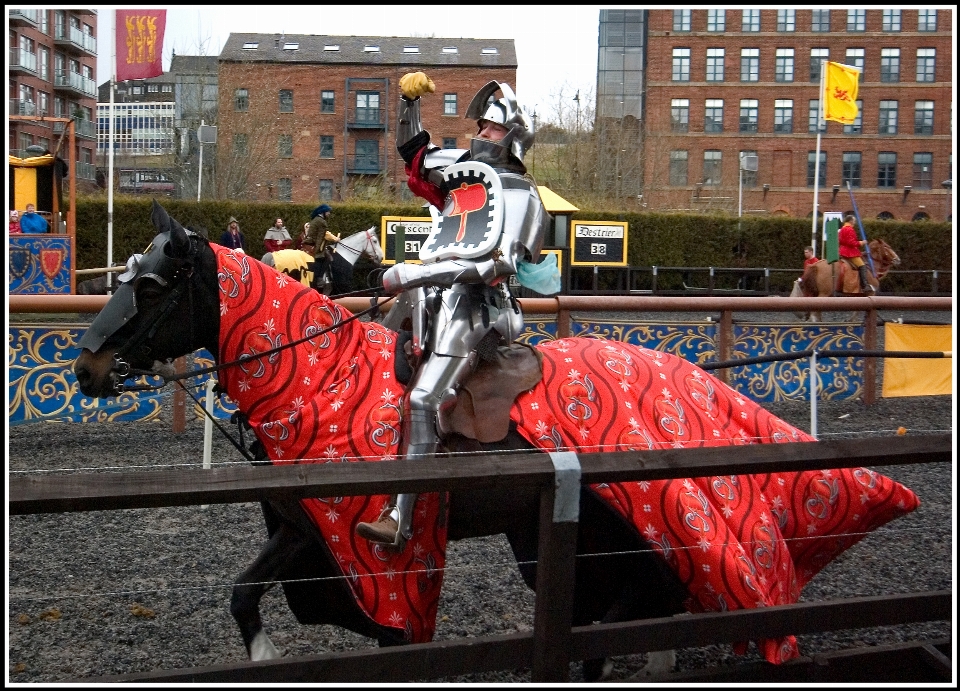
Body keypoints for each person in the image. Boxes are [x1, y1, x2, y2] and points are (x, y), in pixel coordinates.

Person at [355, 72, 554, 549]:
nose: (479, 135)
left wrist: (416, 274)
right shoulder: (466, 175)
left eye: (490, 129)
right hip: (431, 295)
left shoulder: (524, 197)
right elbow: (416, 156)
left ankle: (399, 521)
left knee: (422, 400)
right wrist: (407, 104)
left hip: (480, 306)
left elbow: (496, 264)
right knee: (369, 355)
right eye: (481, 127)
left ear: (513, 140)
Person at [301, 204, 340, 289]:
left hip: (309, 243)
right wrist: (318, 250)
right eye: (328, 211)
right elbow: (323, 235)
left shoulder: (317, 220)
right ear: (323, 212)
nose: (329, 213)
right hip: (313, 245)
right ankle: (319, 279)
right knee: (327, 258)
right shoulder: (322, 222)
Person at [838, 215, 874, 293]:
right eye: (854, 221)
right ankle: (864, 286)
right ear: (850, 221)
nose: (854, 222)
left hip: (842, 250)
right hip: (849, 252)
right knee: (862, 266)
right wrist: (862, 242)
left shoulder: (842, 229)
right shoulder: (850, 229)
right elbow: (851, 243)